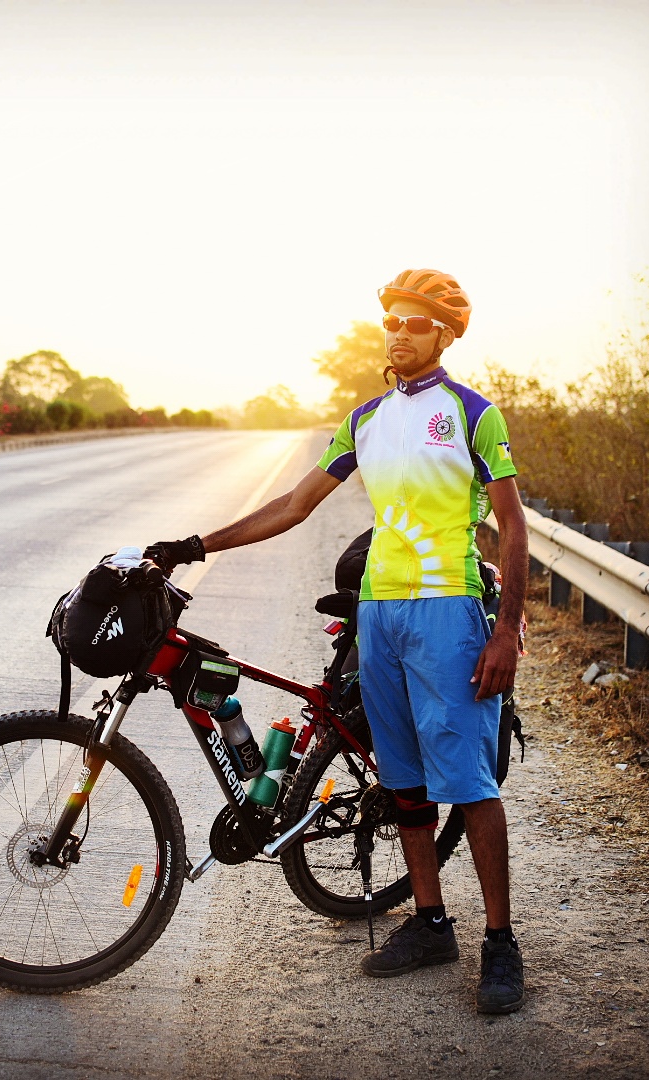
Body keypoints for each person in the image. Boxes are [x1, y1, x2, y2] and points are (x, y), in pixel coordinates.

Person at [145, 268, 529, 1015]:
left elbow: (513, 525)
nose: (398, 332)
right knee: (403, 780)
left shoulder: (474, 415)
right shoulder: (365, 421)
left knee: (471, 783)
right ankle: (430, 921)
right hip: (377, 616)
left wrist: (507, 628)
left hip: (449, 611)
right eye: (391, 319)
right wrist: (193, 543)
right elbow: (293, 506)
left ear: (444, 334)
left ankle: (502, 943)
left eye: (415, 322)